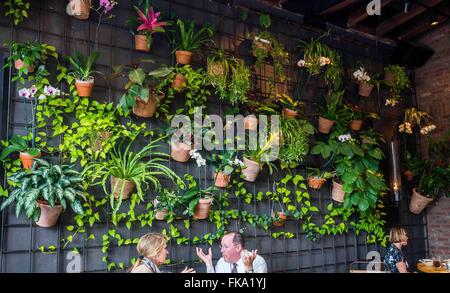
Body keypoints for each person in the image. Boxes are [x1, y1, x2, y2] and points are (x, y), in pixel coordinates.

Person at [196, 231, 267, 273]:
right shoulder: (222, 262)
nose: (221, 250)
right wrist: (209, 264)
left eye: (226, 247)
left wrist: (249, 269)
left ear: (238, 247)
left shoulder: (257, 261)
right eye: (221, 246)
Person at [129, 232, 195, 273]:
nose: (167, 252)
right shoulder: (143, 271)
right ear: (155, 251)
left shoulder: (148, 268)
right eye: (165, 248)